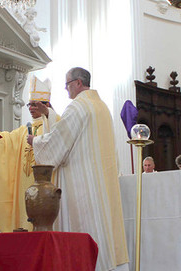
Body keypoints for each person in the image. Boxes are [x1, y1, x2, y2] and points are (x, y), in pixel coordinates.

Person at [27, 67, 128, 271]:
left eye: (67, 85)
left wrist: (35, 140)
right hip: (101, 183)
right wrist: (50, 114)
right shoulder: (101, 107)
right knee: (103, 229)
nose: (66, 90)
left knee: (84, 231)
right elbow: (67, 129)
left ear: (78, 83)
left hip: (82, 185)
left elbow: (58, 142)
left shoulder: (77, 107)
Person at [0, 77, 60, 232]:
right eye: (29, 104)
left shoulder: (55, 123)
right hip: (24, 186)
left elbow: (57, 142)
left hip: (45, 185)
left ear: (45, 105)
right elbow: (3, 141)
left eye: (35, 104)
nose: (31, 108)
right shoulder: (23, 130)